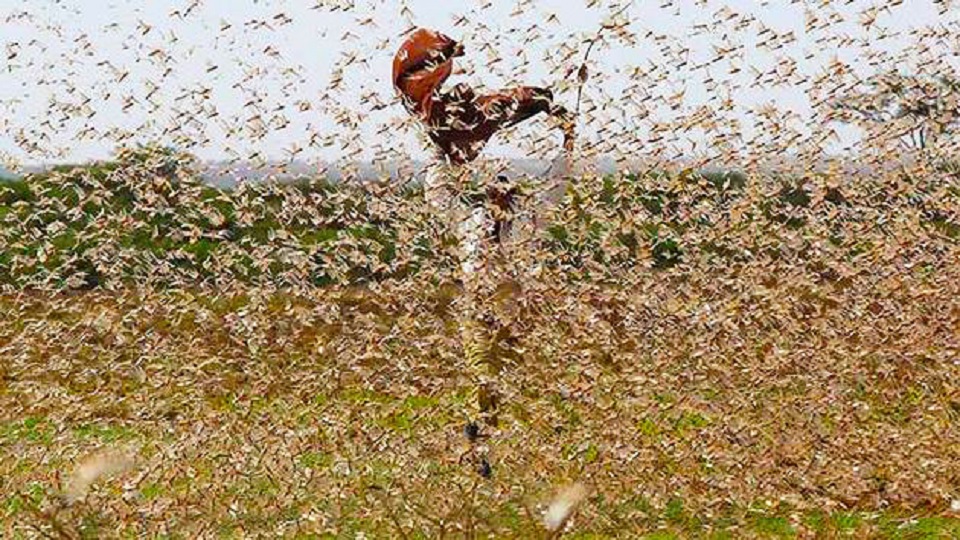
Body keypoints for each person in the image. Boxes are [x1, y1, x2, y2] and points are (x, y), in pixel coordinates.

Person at [393, 28, 575, 435]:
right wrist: (430, 141)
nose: (501, 191)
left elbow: (558, 181)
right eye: (498, 188)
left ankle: (484, 430)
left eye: (504, 188)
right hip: (481, 302)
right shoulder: (468, 216)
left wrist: (568, 139)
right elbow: (435, 181)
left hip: (515, 306)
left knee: (502, 370)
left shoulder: (526, 217)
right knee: (483, 368)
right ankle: (481, 429)